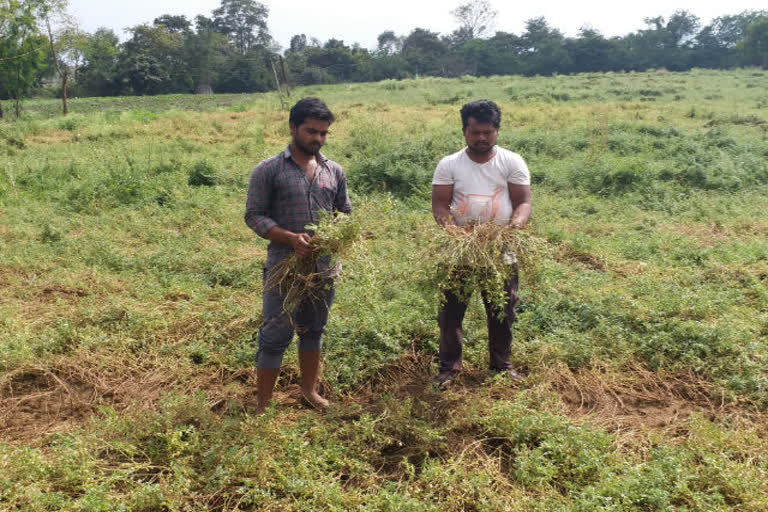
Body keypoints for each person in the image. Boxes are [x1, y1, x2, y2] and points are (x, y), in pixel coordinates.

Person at [245, 97, 352, 414]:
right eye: (310, 131)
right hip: (284, 268)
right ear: (293, 128)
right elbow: (254, 216)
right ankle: (263, 405)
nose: (317, 138)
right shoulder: (268, 170)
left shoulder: (334, 171)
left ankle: (308, 391)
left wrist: (333, 232)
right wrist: (290, 238)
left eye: (323, 133)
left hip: (323, 269)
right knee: (275, 333)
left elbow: (344, 212)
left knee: (313, 330)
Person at [431, 99, 532, 388]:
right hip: (459, 250)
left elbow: (523, 202)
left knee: (502, 310)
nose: (481, 138)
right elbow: (440, 207)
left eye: (487, 132)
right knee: (450, 312)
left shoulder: (511, 162)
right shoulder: (449, 164)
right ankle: (449, 369)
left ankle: (501, 367)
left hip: (501, 249)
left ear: (497, 131)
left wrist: (514, 226)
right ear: (464, 131)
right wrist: (453, 231)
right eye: (475, 132)